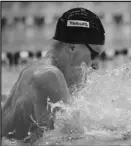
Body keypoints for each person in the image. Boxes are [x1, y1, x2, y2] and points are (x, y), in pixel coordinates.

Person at [2, 7, 105, 142]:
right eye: (94, 54)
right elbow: (74, 141)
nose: (95, 63)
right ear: (72, 47)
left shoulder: (36, 70)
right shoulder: (49, 76)